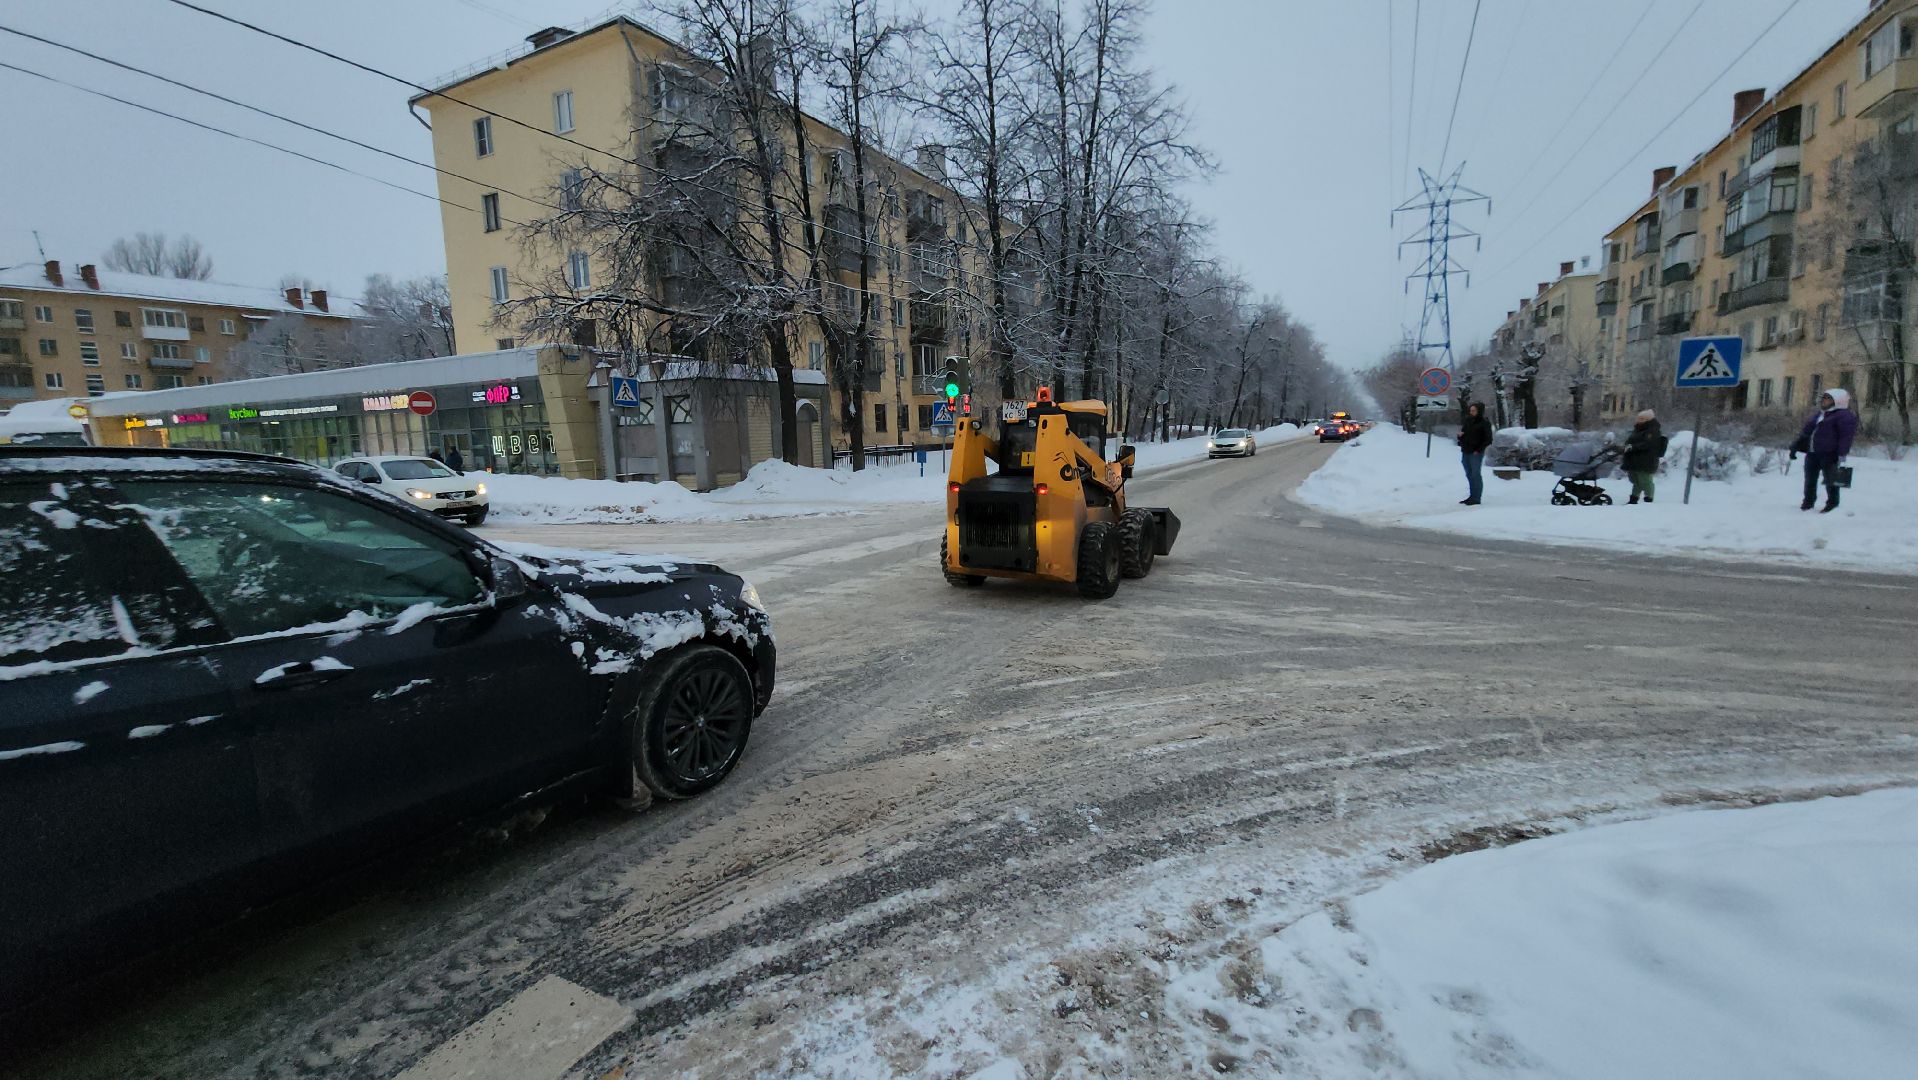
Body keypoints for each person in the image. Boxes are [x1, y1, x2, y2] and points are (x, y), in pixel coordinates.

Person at [1792, 388, 1858, 513]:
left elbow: (1846, 437)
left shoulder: (1844, 416)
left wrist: (1842, 454)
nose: (1824, 401)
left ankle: (1832, 503)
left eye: (1828, 398)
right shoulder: (1821, 414)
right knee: (1810, 479)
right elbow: (1807, 432)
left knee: (1831, 480)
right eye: (1823, 398)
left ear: (1838, 401)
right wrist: (1796, 446)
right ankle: (1808, 502)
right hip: (1813, 452)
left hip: (1829, 454)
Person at [1621, 408, 1666, 504]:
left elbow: (1647, 444)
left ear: (1648, 420)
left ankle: (1648, 498)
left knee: (1644, 480)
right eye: (1639, 418)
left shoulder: (1652, 431)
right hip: (1634, 459)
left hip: (1646, 460)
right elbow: (1632, 440)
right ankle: (1634, 498)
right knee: (1635, 479)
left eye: (1642, 419)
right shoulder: (1638, 429)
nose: (1639, 420)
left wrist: (1633, 447)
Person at [1456, 402, 1493, 505]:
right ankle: (1471, 496)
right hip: (1466, 450)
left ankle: (1476, 497)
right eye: (1470, 410)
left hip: (1476, 452)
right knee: (1469, 473)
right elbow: (1464, 433)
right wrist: (1460, 436)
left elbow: (1488, 439)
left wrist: (1479, 449)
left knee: (1475, 474)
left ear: (1479, 411)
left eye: (1474, 411)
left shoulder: (1484, 422)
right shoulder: (1468, 421)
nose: (1471, 412)